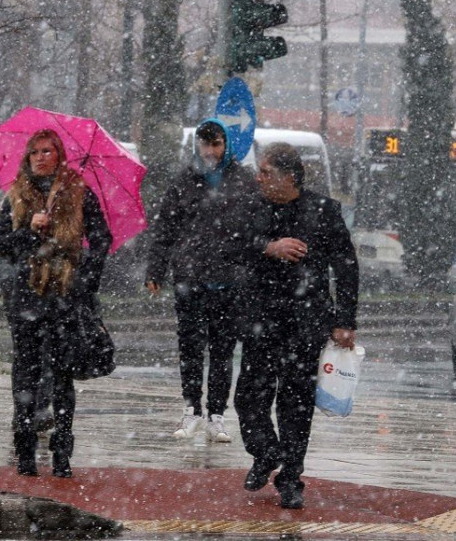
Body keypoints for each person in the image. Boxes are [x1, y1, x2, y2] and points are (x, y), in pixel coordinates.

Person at [234, 142, 359, 510]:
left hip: (305, 321)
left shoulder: (323, 210)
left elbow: (346, 267)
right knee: (249, 398)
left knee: (296, 403)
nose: (258, 177)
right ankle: (265, 452)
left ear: (290, 177)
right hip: (260, 318)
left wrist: (345, 321)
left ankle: (291, 477)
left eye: (266, 171)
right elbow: (231, 245)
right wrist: (267, 246)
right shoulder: (252, 206)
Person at [0, 129, 111, 478]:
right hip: (26, 295)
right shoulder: (16, 195)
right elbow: (1, 244)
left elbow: (102, 238)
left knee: (62, 376)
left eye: (48, 151)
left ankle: (62, 452)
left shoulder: (78, 192)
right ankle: (25, 448)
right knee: (26, 374)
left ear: (59, 155)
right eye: (35, 152)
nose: (41, 157)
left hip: (64, 297)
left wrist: (83, 275)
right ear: (27, 158)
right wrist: (30, 229)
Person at [145, 119, 256, 442]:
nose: (209, 151)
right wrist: (156, 270)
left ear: (226, 145)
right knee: (191, 348)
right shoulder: (184, 181)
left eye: (216, 144)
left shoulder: (243, 181)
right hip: (190, 279)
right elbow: (164, 229)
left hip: (229, 281)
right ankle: (192, 408)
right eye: (204, 144)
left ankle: (216, 415)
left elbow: (255, 229)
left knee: (222, 351)